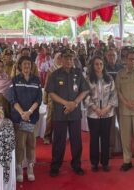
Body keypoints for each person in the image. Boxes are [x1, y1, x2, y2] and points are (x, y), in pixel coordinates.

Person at [46, 48, 89, 177]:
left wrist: (75, 103)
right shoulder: (55, 74)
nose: (69, 61)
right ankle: (55, 165)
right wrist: (66, 103)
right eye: (66, 58)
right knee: (59, 141)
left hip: (75, 113)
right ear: (61, 59)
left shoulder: (78, 73)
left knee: (76, 141)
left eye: (71, 59)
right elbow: (51, 93)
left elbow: (85, 90)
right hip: (60, 113)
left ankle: (76, 164)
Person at [8, 56, 42, 183]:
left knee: (31, 144)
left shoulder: (36, 80)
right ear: (20, 66)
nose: (27, 67)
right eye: (24, 65)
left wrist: (29, 112)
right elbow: (13, 100)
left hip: (31, 118)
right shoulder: (15, 80)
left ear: (31, 66)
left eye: (29, 64)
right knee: (20, 144)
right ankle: (19, 168)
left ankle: (30, 168)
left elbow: (38, 99)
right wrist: (22, 113)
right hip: (19, 118)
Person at [84, 56, 118, 172]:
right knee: (94, 138)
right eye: (96, 64)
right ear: (93, 66)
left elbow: (113, 95)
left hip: (107, 113)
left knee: (105, 138)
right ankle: (94, 163)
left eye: (100, 64)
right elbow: (85, 95)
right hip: (93, 114)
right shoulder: (88, 79)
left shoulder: (109, 79)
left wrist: (106, 108)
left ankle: (105, 162)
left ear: (103, 66)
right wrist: (95, 108)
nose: (99, 66)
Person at [43, 52, 62, 144]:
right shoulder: (51, 70)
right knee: (50, 118)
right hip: (52, 96)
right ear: (55, 59)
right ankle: (47, 136)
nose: (60, 60)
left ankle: (58, 137)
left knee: (61, 118)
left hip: (62, 97)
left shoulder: (65, 69)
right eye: (58, 58)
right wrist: (45, 98)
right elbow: (46, 84)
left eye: (61, 58)